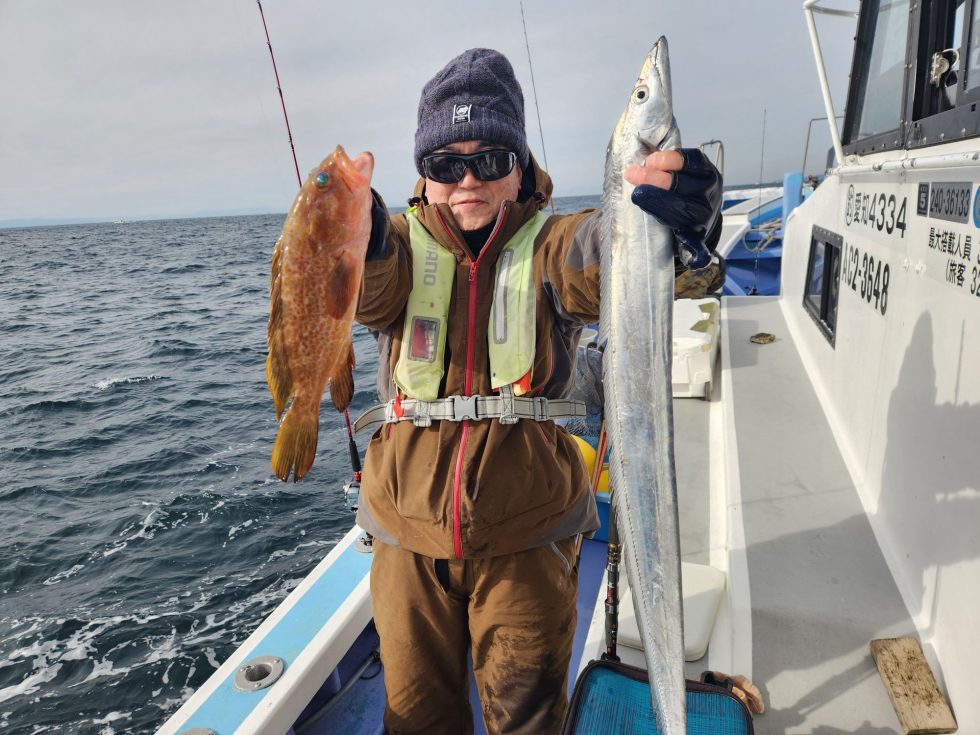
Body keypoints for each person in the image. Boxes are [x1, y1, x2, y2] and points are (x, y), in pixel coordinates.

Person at [353, 48, 722, 735]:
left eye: (490, 159)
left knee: (528, 719)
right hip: (405, 542)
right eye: (445, 164)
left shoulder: (549, 242)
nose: (468, 180)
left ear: (518, 165)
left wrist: (677, 222)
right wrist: (361, 231)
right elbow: (370, 286)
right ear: (424, 175)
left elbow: (603, 252)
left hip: (528, 537)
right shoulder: (397, 248)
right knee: (414, 721)